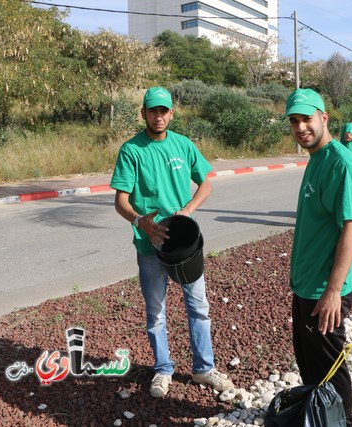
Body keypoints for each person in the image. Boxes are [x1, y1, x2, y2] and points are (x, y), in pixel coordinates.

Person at [110, 87, 234, 398]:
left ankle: (203, 368)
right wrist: (140, 221)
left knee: (199, 307)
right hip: (150, 245)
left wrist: (189, 210)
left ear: (172, 114)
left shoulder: (184, 145)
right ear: (144, 114)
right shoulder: (132, 150)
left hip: (185, 243)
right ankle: (163, 369)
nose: (159, 116)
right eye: (153, 111)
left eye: (164, 111)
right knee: (156, 311)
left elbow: (205, 182)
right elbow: (120, 201)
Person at [285, 88, 352, 427]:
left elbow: (351, 226)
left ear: (324, 118)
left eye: (307, 119)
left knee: (331, 371)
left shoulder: (342, 163)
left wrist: (333, 291)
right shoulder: (317, 158)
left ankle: (341, 422)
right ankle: (319, 419)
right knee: (311, 367)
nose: (301, 127)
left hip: (325, 290)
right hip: (307, 286)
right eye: (294, 121)